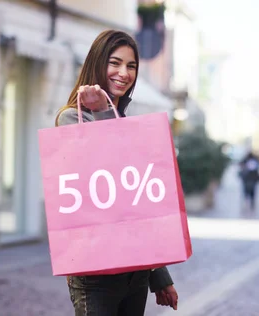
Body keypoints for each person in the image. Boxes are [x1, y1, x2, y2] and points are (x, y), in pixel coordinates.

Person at [55, 30, 179, 316]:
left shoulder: (124, 122)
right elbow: (109, 171)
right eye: (115, 63)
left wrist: (159, 276)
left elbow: (136, 206)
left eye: (131, 65)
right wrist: (100, 112)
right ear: (98, 64)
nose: (124, 72)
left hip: (136, 273)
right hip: (95, 273)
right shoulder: (71, 118)